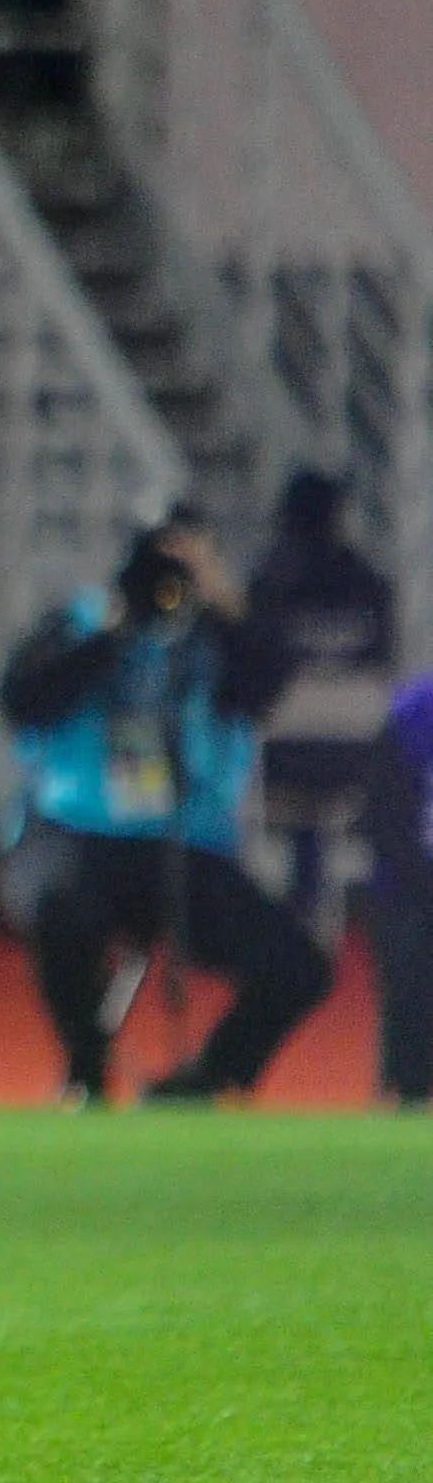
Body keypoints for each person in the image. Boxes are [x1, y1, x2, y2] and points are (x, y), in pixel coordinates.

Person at [0, 500, 329, 1105]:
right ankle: (87, 1068)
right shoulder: (79, 623)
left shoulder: (217, 638)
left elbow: (267, 680)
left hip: (184, 841)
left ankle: (205, 1080)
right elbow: (23, 699)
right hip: (77, 829)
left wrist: (220, 597)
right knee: (58, 904)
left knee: (299, 966)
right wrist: (115, 629)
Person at [245, 467, 397, 923]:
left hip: (284, 751)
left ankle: (298, 909)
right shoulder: (371, 582)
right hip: (358, 749)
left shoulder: (268, 580)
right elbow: (385, 662)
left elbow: (249, 666)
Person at [366, 670, 433, 1108]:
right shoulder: (414, 711)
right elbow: (384, 811)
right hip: (414, 880)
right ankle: (405, 1092)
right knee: (411, 965)